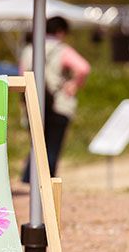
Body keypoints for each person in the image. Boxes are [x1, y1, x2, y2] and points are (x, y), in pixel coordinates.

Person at [20, 16, 90, 182]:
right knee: (51, 148)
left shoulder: (28, 49)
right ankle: (44, 185)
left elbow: (21, 76)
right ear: (60, 31)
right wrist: (73, 84)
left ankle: (27, 181)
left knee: (36, 147)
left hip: (33, 103)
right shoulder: (61, 49)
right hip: (58, 105)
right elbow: (83, 68)